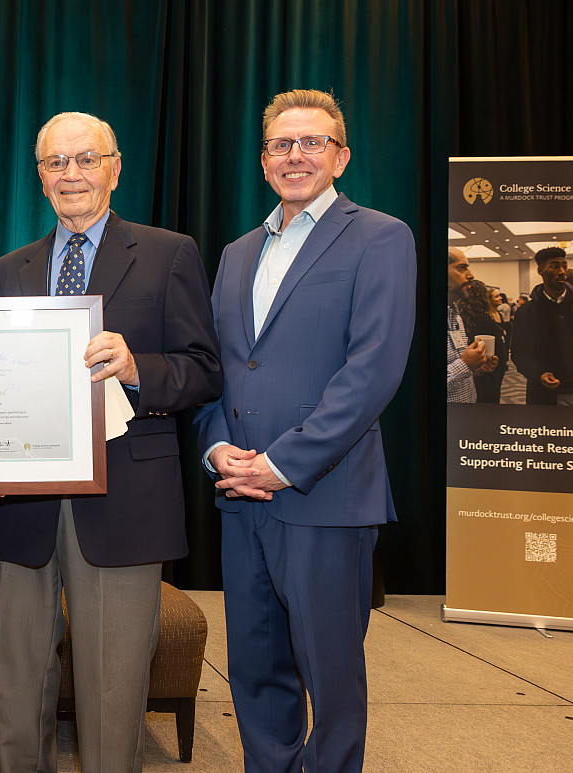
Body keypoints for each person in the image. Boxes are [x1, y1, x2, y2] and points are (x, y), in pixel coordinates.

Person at [0, 111, 222, 773]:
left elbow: (204, 369)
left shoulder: (170, 253)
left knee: (114, 686)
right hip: (23, 499)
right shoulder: (8, 270)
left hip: (126, 494)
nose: (72, 174)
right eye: (57, 163)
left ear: (115, 168)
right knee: (18, 673)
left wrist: (140, 364)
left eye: (87, 159)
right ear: (39, 177)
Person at [194, 89, 415, 773]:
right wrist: (217, 446)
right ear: (263, 163)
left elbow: (373, 369)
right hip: (241, 496)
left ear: (340, 156)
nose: (296, 156)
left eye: (311, 143)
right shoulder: (235, 253)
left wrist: (282, 462)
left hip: (325, 496)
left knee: (332, 676)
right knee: (255, 671)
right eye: (281, 145)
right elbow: (218, 367)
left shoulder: (381, 236)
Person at [510, 247, 573, 405]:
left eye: (564, 266)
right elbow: (519, 353)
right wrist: (539, 374)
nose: (562, 271)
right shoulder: (526, 312)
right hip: (543, 394)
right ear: (540, 270)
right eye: (554, 266)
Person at [446, 248, 489, 403]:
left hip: (467, 409)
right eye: (461, 268)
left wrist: (478, 365)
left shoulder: (456, 316)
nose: (471, 275)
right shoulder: (419, 319)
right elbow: (419, 385)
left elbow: (458, 363)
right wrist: (465, 364)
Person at [457, 279, 508, 403]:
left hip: (461, 381)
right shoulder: (486, 321)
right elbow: (500, 356)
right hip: (486, 379)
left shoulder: (457, 319)